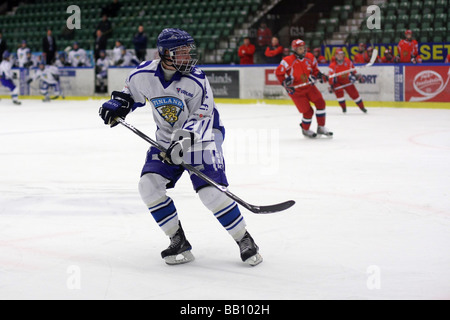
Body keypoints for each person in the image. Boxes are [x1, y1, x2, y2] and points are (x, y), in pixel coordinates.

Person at [98, 28, 262, 266]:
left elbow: (203, 117)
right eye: (180, 52)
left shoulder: (196, 79)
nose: (187, 57)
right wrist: (117, 105)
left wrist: (183, 142)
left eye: (188, 52)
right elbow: (129, 95)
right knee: (148, 186)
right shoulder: (142, 74)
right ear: (163, 53)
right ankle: (178, 240)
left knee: (210, 192)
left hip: (202, 137)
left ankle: (244, 239)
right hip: (166, 138)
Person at [275, 39, 332, 138]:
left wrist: (319, 75)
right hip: (296, 91)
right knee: (308, 112)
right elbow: (278, 73)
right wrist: (285, 83)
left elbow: (314, 70)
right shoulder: (287, 60)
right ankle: (305, 129)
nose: (303, 50)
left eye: (303, 48)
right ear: (295, 50)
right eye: (300, 49)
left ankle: (321, 127)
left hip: (309, 86)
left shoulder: (310, 57)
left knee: (321, 103)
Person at [328, 48, 367, 114]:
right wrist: (331, 85)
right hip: (337, 82)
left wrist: (357, 77)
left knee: (354, 94)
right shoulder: (332, 65)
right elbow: (331, 77)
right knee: (339, 93)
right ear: (335, 56)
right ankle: (343, 108)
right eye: (338, 55)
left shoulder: (348, 61)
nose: (340, 56)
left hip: (347, 80)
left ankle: (362, 107)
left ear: (343, 55)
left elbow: (353, 71)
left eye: (341, 54)